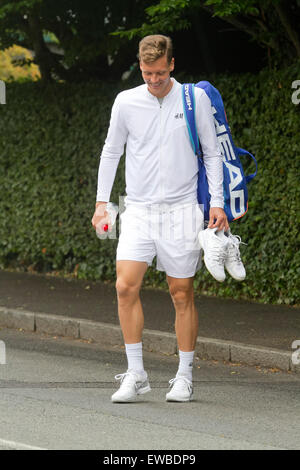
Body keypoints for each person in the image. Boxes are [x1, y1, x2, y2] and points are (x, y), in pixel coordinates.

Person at [92, 34, 228, 403]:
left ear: (171, 64)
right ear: (141, 67)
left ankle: (184, 375)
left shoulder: (193, 99)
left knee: (181, 293)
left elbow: (213, 154)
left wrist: (217, 203)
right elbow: (111, 151)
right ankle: (136, 373)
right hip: (137, 209)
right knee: (125, 286)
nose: (153, 79)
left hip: (183, 210)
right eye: (147, 72)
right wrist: (102, 202)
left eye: (159, 72)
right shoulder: (126, 101)